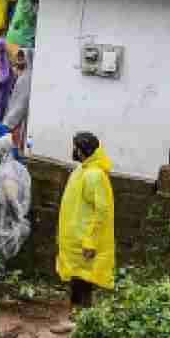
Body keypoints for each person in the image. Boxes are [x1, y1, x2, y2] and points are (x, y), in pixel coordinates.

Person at [57, 132, 115, 308]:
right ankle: (76, 319)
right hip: (75, 241)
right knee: (77, 281)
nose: (73, 150)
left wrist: (90, 241)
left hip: (84, 243)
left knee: (84, 283)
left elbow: (102, 212)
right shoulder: (82, 170)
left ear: (83, 151)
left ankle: (80, 322)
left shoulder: (95, 175)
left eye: (76, 147)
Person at [0, 135, 32, 260]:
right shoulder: (13, 168)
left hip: (5, 225)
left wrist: (18, 220)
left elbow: (11, 199)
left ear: (3, 151)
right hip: (4, 222)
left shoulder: (7, 172)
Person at [3, 49, 33, 154]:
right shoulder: (24, 75)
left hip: (17, 121)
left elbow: (22, 103)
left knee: (15, 147)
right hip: (15, 118)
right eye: (18, 57)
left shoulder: (26, 78)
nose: (19, 60)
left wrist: (9, 122)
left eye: (22, 57)